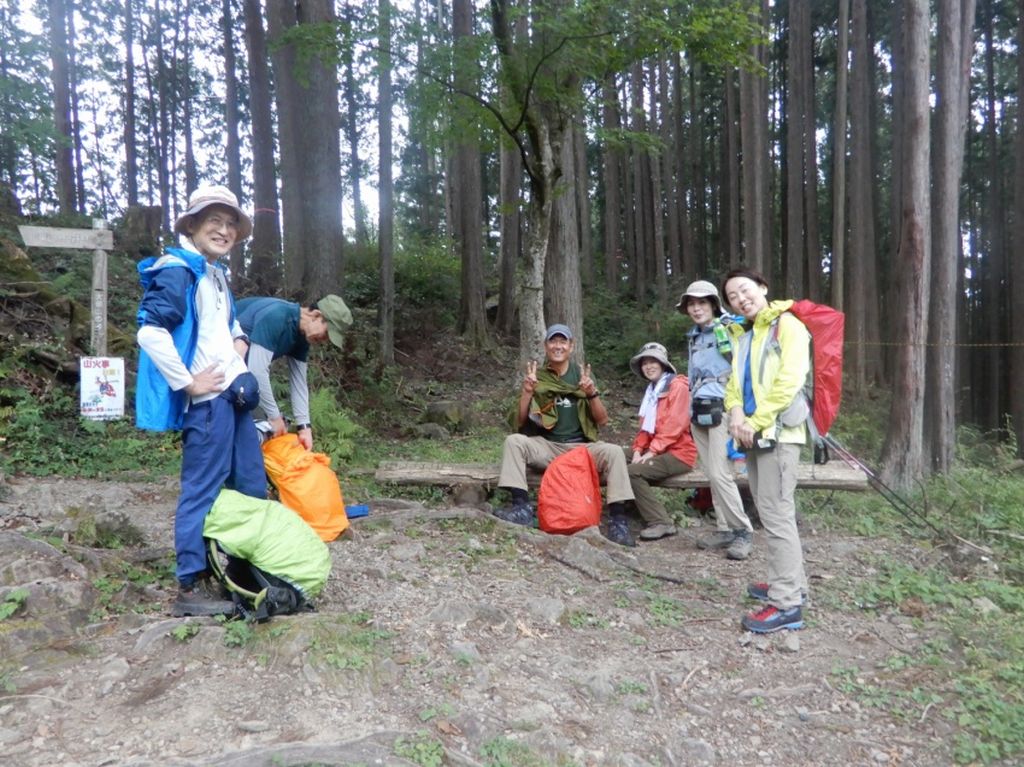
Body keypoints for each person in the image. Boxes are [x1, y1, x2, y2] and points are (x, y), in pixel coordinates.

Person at [136, 184, 267, 617]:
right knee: (203, 491)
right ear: (191, 225)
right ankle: (190, 583)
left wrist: (239, 352)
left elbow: (230, 325)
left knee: (249, 485)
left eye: (231, 223)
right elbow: (150, 331)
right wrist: (188, 383)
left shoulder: (213, 273)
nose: (225, 230)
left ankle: (243, 572)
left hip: (233, 399)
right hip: (207, 404)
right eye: (215, 221)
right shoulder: (177, 270)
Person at [722, 268, 810, 633]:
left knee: (776, 516)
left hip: (780, 435)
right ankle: (791, 584)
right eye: (733, 297)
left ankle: (787, 604)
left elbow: (790, 379)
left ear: (763, 287)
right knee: (771, 510)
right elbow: (733, 385)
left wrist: (754, 421)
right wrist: (737, 414)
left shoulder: (787, 326)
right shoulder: (744, 336)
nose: (741, 299)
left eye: (745, 290)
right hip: (754, 435)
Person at [494, 324, 637, 546]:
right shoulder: (538, 377)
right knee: (514, 441)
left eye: (563, 342)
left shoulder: (582, 377)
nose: (557, 346)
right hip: (549, 447)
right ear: (546, 346)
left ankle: (619, 522)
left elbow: (602, 420)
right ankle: (520, 507)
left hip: (581, 449)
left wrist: (592, 394)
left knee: (614, 451)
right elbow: (519, 421)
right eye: (553, 341)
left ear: (571, 346)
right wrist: (527, 392)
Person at [679, 280, 754, 560]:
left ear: (713, 304)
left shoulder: (729, 329)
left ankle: (742, 530)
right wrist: (688, 411)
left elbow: (742, 365)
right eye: (691, 304)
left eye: (702, 303)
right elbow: (691, 375)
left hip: (723, 407)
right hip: (698, 409)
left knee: (721, 474)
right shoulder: (694, 336)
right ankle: (724, 528)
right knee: (712, 473)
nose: (696, 309)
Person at [235, 294, 352, 450]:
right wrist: (274, 417)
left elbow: (299, 383)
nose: (324, 341)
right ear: (317, 315)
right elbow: (257, 372)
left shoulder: (301, 337)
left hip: (240, 379)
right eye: (326, 334)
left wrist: (304, 428)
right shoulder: (277, 316)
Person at [624, 342, 697, 541]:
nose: (648, 366)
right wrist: (638, 450)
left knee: (633, 472)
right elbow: (645, 429)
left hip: (679, 453)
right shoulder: (652, 391)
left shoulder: (677, 386)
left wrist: (651, 453)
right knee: (616, 456)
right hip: (656, 449)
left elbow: (676, 425)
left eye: (653, 361)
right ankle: (624, 506)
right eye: (645, 363)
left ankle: (661, 522)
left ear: (663, 364)